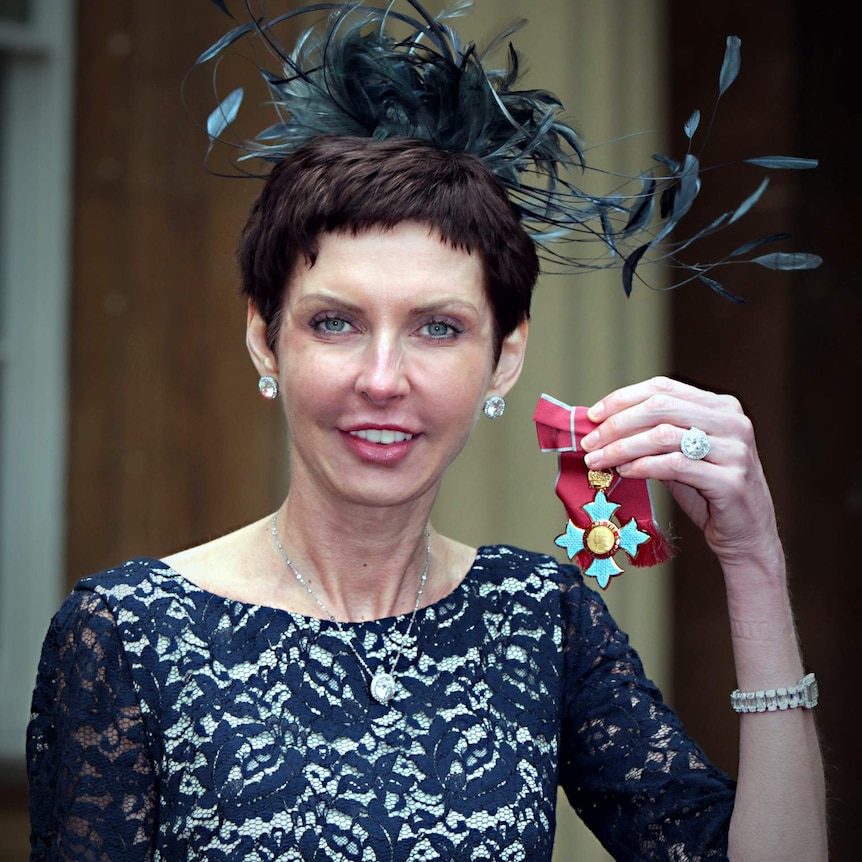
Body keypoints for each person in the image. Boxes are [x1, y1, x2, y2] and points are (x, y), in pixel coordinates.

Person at [26, 2, 827, 860]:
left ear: (505, 357)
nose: (382, 378)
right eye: (335, 322)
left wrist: (755, 562)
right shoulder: (128, 632)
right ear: (265, 337)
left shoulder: (540, 622)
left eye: (437, 327)